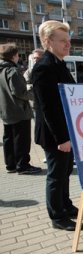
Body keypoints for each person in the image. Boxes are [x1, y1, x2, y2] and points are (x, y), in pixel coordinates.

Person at [32, 20, 83, 231]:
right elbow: (49, 109)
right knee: (56, 175)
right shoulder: (44, 68)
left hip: (66, 132)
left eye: (69, 40)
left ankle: (66, 205)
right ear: (48, 41)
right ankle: (57, 217)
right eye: (63, 41)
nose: (68, 45)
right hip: (55, 135)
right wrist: (62, 139)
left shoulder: (58, 63)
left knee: (65, 171)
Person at [0, 43, 42, 175]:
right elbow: (19, 92)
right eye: (18, 54)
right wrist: (34, 94)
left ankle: (11, 164)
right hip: (19, 111)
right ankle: (23, 165)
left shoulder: (1, 70)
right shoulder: (13, 70)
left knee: (9, 139)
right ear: (13, 56)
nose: (18, 57)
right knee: (21, 140)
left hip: (6, 110)